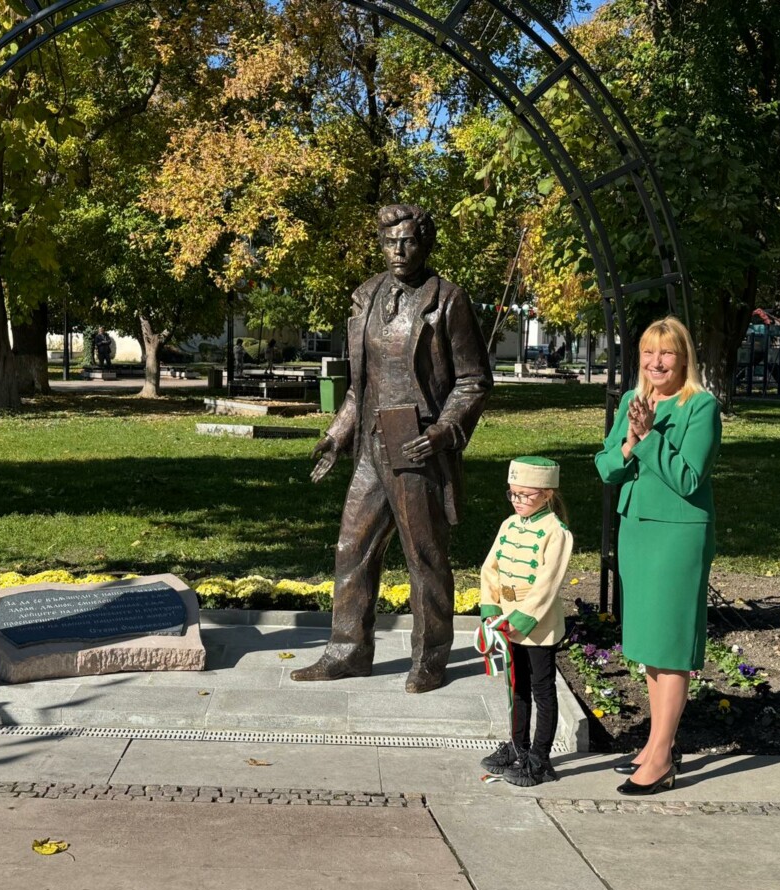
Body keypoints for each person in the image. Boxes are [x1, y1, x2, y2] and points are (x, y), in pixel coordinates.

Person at [291, 204, 493, 693]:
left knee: (423, 553)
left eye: (407, 241)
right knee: (351, 546)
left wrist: (443, 432)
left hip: (417, 443)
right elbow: (361, 387)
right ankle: (349, 650)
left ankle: (430, 657)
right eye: (389, 242)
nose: (398, 251)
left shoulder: (448, 300)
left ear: (425, 243)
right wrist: (337, 436)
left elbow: (473, 380)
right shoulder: (365, 297)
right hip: (370, 446)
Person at [594, 315, 721, 794]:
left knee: (670, 648)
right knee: (649, 646)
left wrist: (649, 440)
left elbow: (688, 478)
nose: (656, 361)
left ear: (683, 358)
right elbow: (606, 467)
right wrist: (629, 444)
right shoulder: (632, 401)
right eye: (648, 352)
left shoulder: (701, 407)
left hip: (677, 537)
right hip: (637, 532)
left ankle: (663, 756)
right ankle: (654, 742)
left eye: (666, 353)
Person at [476, 457, 573, 786]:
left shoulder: (557, 533)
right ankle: (519, 748)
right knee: (515, 689)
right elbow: (490, 569)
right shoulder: (508, 525)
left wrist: (517, 620)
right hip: (505, 624)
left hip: (537, 626)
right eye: (513, 494)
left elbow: (547, 585)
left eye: (525, 495)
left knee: (542, 691)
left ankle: (540, 759)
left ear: (546, 494)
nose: (517, 501)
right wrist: (491, 611)